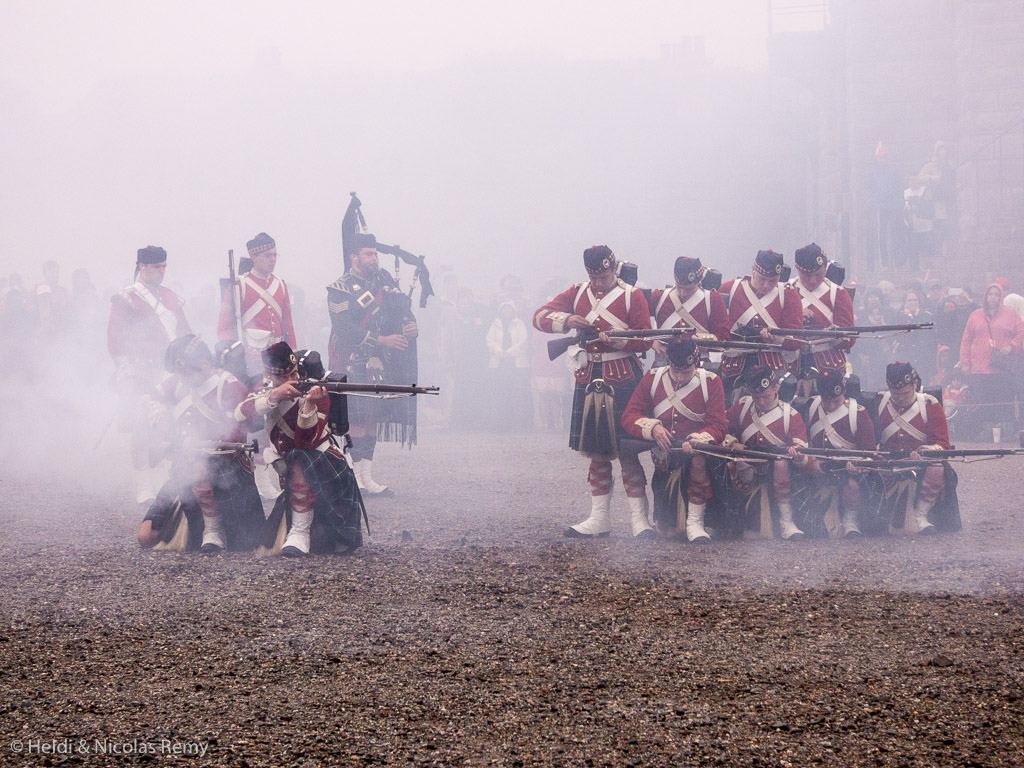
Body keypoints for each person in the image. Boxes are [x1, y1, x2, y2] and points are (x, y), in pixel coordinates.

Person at [533, 245, 655, 538]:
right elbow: (539, 317)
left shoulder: (632, 295)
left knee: (628, 452)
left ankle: (640, 520)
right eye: (594, 277)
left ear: (613, 268)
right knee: (597, 454)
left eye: (604, 276)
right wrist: (567, 321)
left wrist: (618, 341)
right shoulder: (577, 292)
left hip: (623, 377)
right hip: (589, 377)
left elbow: (645, 339)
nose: (599, 282)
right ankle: (599, 518)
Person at [236, 342, 365, 557]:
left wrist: (309, 404)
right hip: (294, 463)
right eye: (285, 377)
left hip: (323, 462)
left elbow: (305, 442)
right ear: (269, 374)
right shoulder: (266, 388)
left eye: (294, 373)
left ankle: (300, 532)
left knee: (298, 458)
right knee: (296, 460)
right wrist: (273, 396)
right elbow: (240, 414)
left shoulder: (316, 388)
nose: (293, 379)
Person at [136, 335, 263, 553]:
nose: (182, 379)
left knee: (199, 467)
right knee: (146, 537)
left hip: (225, 474)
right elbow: (148, 398)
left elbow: (236, 436)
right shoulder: (179, 381)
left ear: (204, 365)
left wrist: (200, 447)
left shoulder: (229, 386)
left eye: (186, 373)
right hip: (185, 474)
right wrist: (162, 419)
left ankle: (213, 530)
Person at [327, 233, 419, 495]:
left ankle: (367, 478)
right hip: (353, 360)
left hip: (381, 361)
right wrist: (382, 340)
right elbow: (344, 329)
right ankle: (353, 477)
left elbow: (402, 309)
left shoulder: (384, 280)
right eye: (369, 254)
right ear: (353, 257)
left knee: (373, 419)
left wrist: (411, 326)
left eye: (375, 254)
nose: (374, 259)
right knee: (356, 419)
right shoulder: (339, 288)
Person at [107, 246, 192, 504]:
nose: (162, 271)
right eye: (157, 267)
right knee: (141, 427)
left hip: (172, 370)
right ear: (142, 266)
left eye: (164, 266)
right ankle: (143, 484)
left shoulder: (170, 296)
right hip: (141, 371)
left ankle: (169, 480)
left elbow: (185, 331)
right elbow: (116, 338)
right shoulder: (126, 298)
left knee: (173, 423)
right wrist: (125, 372)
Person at [621, 337, 727, 541]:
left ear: (695, 362)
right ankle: (639, 519)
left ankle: (695, 523)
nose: (679, 377)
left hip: (697, 456)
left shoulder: (711, 382)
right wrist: (653, 427)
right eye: (675, 371)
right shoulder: (653, 378)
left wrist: (698, 439)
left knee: (698, 460)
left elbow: (719, 426)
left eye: (685, 372)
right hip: (665, 460)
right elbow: (629, 416)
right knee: (666, 532)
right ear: (669, 363)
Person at [723, 366, 814, 540]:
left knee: (780, 463)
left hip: (777, 473)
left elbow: (804, 456)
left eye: (766, 396)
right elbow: (721, 427)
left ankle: (786, 520)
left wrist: (797, 455)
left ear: (775, 388)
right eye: (756, 397)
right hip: (745, 471)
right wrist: (732, 443)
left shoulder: (790, 416)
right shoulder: (743, 406)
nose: (761, 402)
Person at [876, 362, 959, 535]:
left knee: (936, 468)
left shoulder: (930, 405)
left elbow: (942, 444)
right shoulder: (879, 402)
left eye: (905, 393)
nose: (900, 398)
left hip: (922, 463)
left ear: (914, 384)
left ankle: (920, 514)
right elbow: (870, 439)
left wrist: (924, 451)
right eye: (895, 394)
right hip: (887, 462)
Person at [719, 250, 803, 398]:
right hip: (734, 365)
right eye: (762, 279)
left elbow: (796, 340)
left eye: (772, 281)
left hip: (771, 365)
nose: (766, 285)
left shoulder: (788, 295)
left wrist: (777, 337)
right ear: (753, 270)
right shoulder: (729, 289)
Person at [805, 369, 878, 537]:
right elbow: (804, 441)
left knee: (852, 485)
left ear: (843, 391)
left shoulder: (858, 414)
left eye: (836, 400)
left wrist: (858, 465)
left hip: (849, 469)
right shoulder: (811, 406)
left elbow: (870, 454)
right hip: (820, 467)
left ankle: (850, 520)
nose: (831, 405)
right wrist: (811, 462)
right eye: (826, 400)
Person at [217, 232, 297, 374]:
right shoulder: (239, 285)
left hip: (279, 357)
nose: (273, 259)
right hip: (251, 360)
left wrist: (293, 356)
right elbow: (225, 326)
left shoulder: (281, 285)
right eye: (267, 255)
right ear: (254, 257)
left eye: (275, 255)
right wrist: (233, 358)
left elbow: (288, 325)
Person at [958, 282, 1024, 438]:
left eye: (996, 294)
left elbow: (1021, 333)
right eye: (990, 294)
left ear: (1001, 297)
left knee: (1002, 402)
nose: (993, 297)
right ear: (986, 296)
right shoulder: (975, 315)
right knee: (981, 402)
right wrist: (965, 363)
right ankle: (982, 434)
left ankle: (1004, 434)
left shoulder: (1010, 314)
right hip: (979, 368)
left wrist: (1011, 346)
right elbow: (966, 340)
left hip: (1001, 368)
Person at [789, 243, 856, 382]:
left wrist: (833, 334)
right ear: (797, 268)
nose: (813, 280)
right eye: (807, 275)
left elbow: (849, 339)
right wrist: (796, 316)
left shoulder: (839, 294)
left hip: (828, 363)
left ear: (825, 268)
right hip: (792, 363)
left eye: (818, 274)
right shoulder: (786, 290)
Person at [485, 299, 531, 431]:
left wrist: (509, 353)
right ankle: (501, 422)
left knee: (517, 393)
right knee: (500, 393)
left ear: (513, 310)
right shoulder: (495, 324)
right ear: (500, 311)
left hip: (517, 365)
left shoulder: (519, 324)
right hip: (499, 365)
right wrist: (501, 353)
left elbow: (523, 342)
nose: (506, 311)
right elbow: (490, 341)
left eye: (509, 308)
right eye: (504, 308)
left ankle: (518, 422)